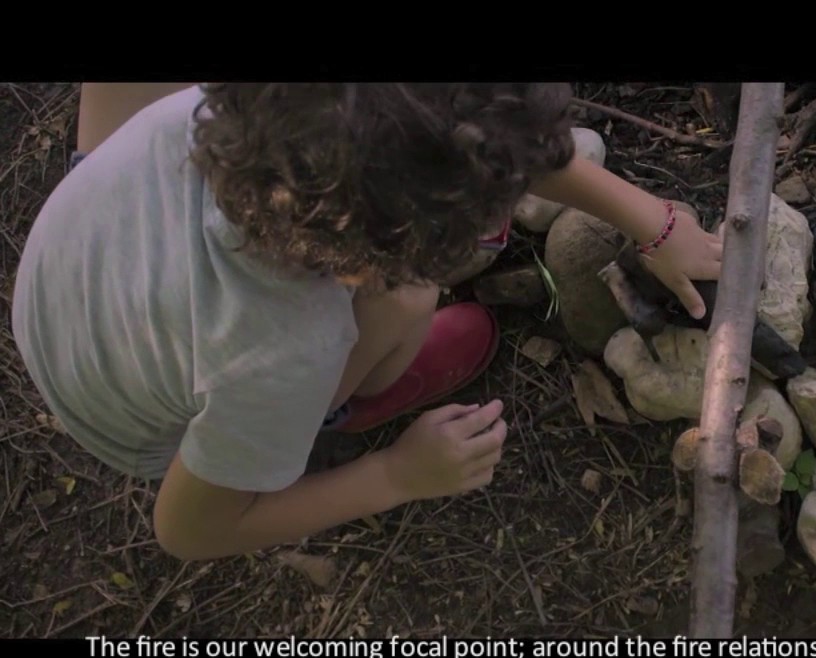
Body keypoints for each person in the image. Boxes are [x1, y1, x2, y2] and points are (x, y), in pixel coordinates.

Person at [11, 83, 723, 562]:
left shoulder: (252, 110)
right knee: (407, 304)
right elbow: (185, 530)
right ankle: (355, 406)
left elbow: (448, 123)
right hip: (144, 424)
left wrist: (653, 221)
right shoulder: (281, 349)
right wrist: (396, 475)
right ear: (358, 264)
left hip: (81, 256)